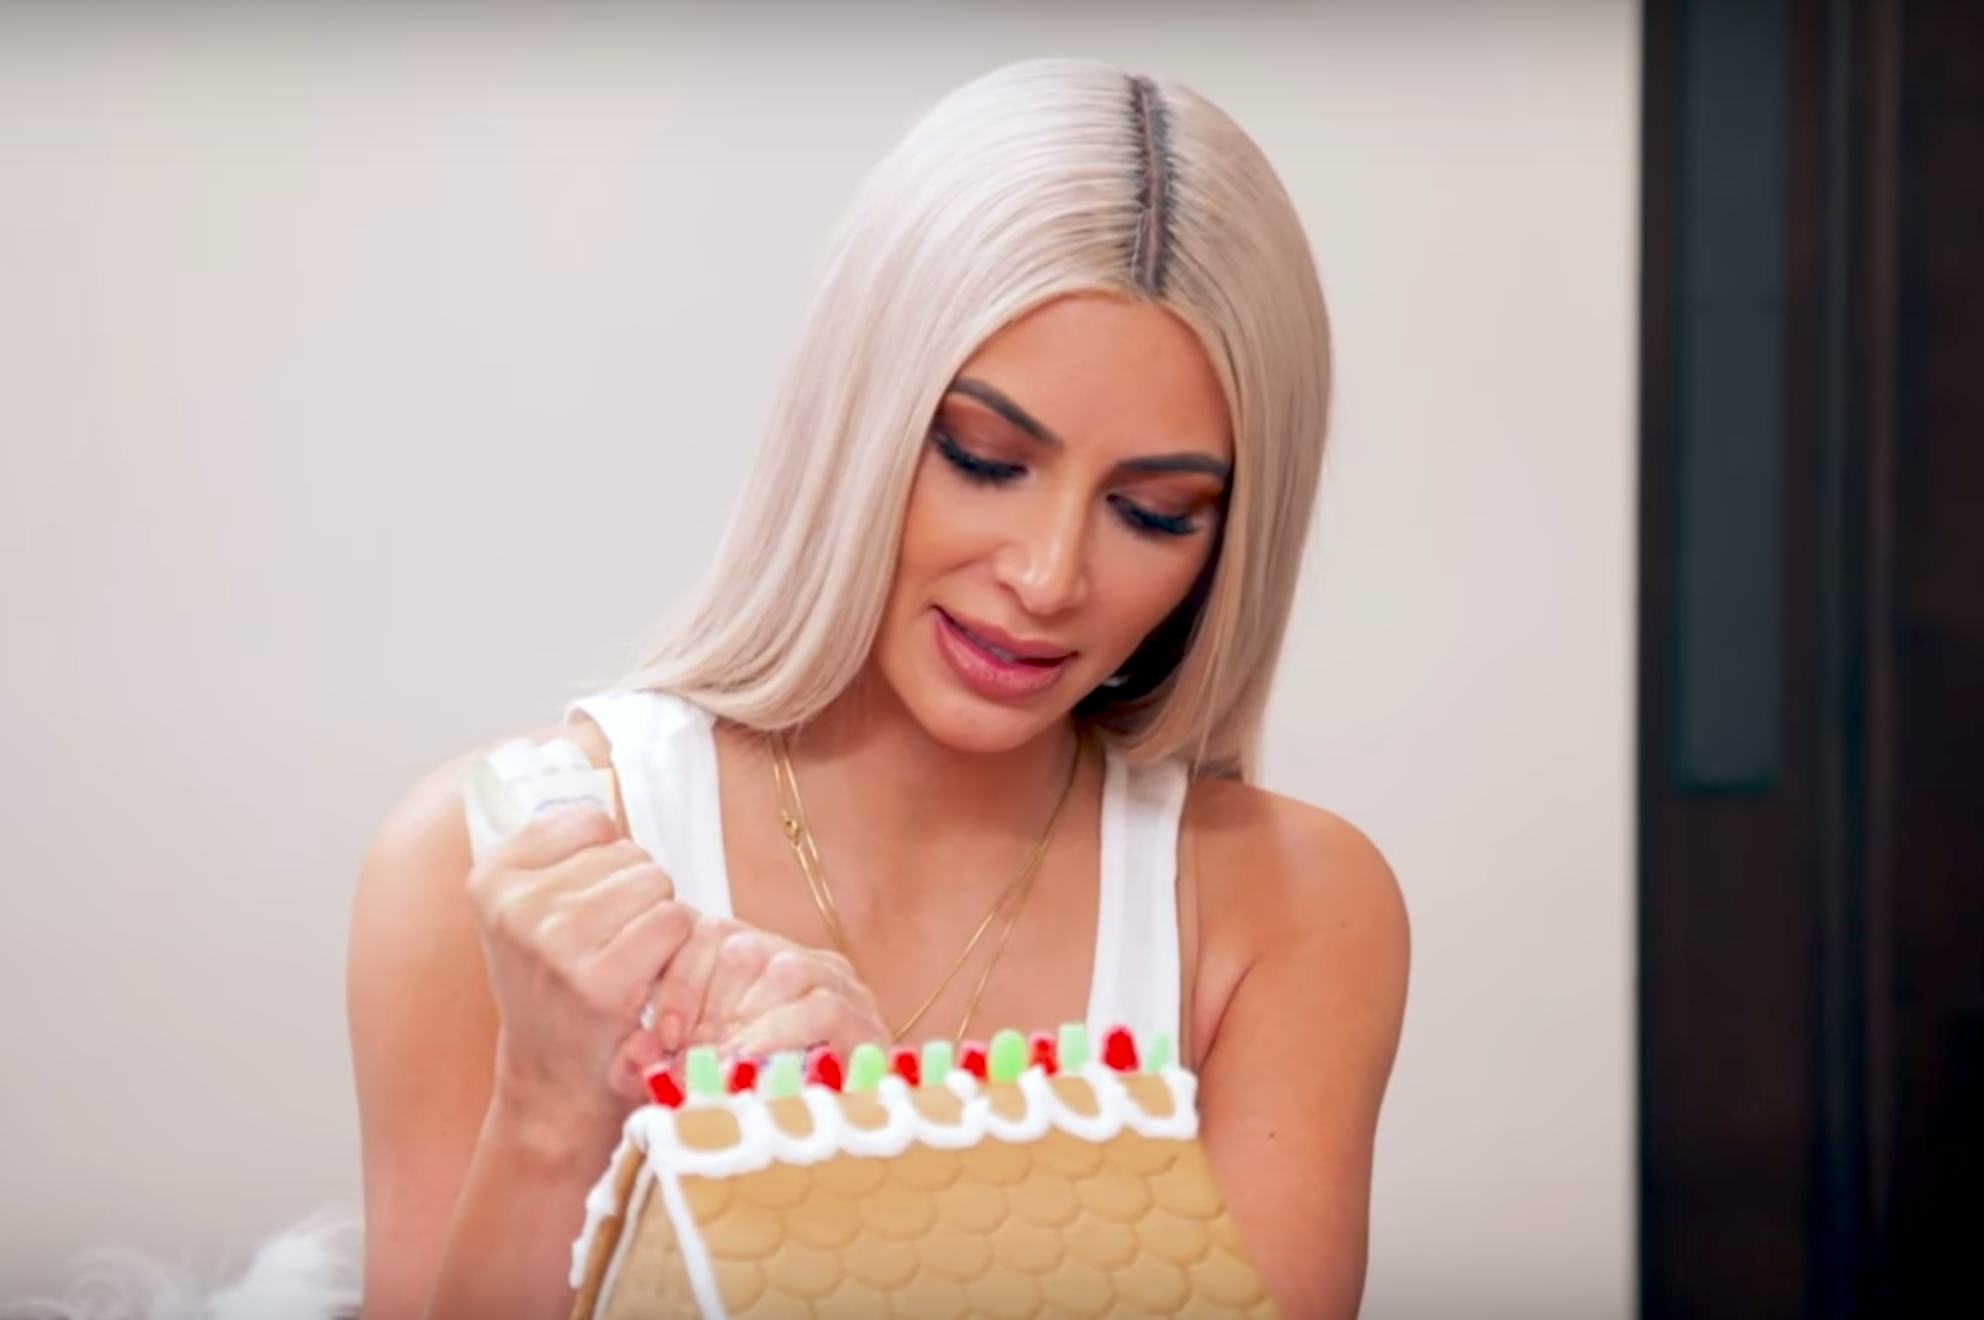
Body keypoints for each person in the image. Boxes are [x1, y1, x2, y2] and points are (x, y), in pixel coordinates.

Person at [347, 56, 1408, 1320]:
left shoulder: (1291, 912)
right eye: (984, 459)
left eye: (1152, 512)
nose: (1048, 576)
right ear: (857, 418)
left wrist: (888, 1194)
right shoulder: (486, 870)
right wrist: (545, 1112)